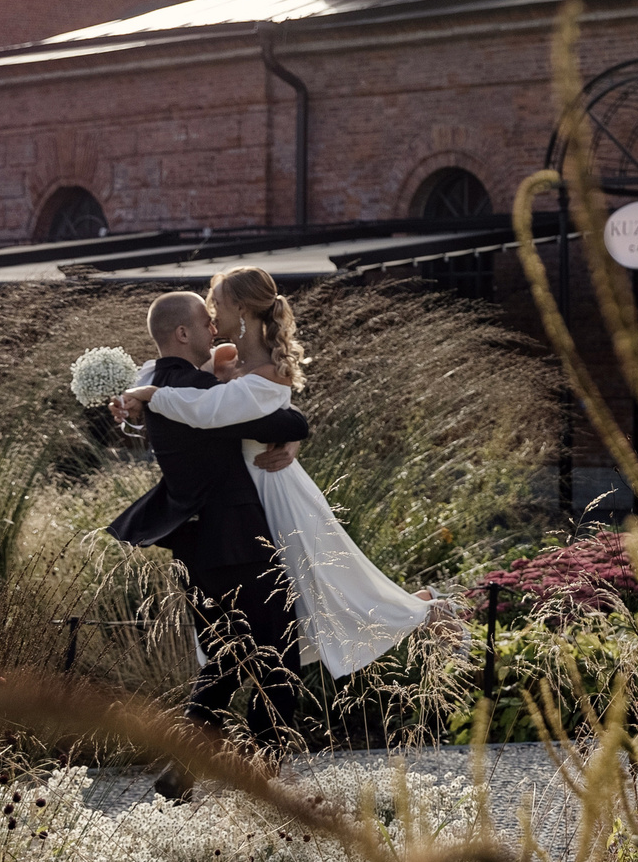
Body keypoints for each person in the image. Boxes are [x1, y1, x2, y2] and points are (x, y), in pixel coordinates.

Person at [112, 266, 441, 682]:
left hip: (272, 485)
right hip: (243, 496)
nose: (212, 317)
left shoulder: (269, 370)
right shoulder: (222, 359)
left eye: (217, 305)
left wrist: (148, 395)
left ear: (243, 309)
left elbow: (220, 411)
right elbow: (195, 397)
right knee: (287, 602)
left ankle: (418, 611)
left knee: (321, 583)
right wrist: (136, 403)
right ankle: (264, 704)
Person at [105, 289, 312, 794]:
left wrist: (135, 404)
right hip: (236, 538)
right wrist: (297, 429)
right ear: (182, 334)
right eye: (204, 323)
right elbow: (284, 419)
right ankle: (265, 774)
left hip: (193, 547)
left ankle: (185, 766)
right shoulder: (199, 394)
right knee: (279, 651)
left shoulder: (150, 381)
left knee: (229, 653)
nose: (213, 330)